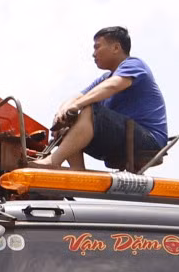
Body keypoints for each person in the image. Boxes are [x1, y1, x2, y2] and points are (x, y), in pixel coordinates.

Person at [30, 26, 167, 171]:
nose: (93, 54)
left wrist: (78, 105)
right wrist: (62, 112)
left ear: (115, 48)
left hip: (148, 140)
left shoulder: (134, 65)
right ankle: (77, 170)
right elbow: (78, 96)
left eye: (97, 47)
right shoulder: (105, 78)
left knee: (88, 108)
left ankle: (54, 160)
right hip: (123, 138)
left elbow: (113, 86)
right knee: (70, 117)